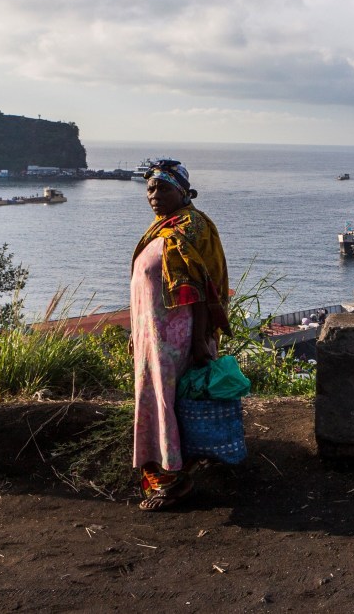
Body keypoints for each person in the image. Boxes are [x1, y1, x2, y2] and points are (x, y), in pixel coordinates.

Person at [130, 159, 230, 510]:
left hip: (179, 338)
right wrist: (136, 330)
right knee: (158, 402)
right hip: (153, 337)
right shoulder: (163, 227)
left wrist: (202, 339)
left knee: (173, 405)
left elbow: (203, 289)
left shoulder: (192, 228)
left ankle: (176, 480)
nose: (153, 195)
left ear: (183, 191)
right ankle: (165, 472)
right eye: (150, 189)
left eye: (162, 188)